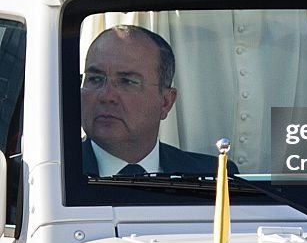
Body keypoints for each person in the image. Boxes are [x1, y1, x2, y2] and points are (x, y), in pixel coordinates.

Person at [80, 25, 215, 176]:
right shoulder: (53, 174)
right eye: (95, 79)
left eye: (127, 82)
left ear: (166, 102)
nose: (107, 96)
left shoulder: (214, 178)